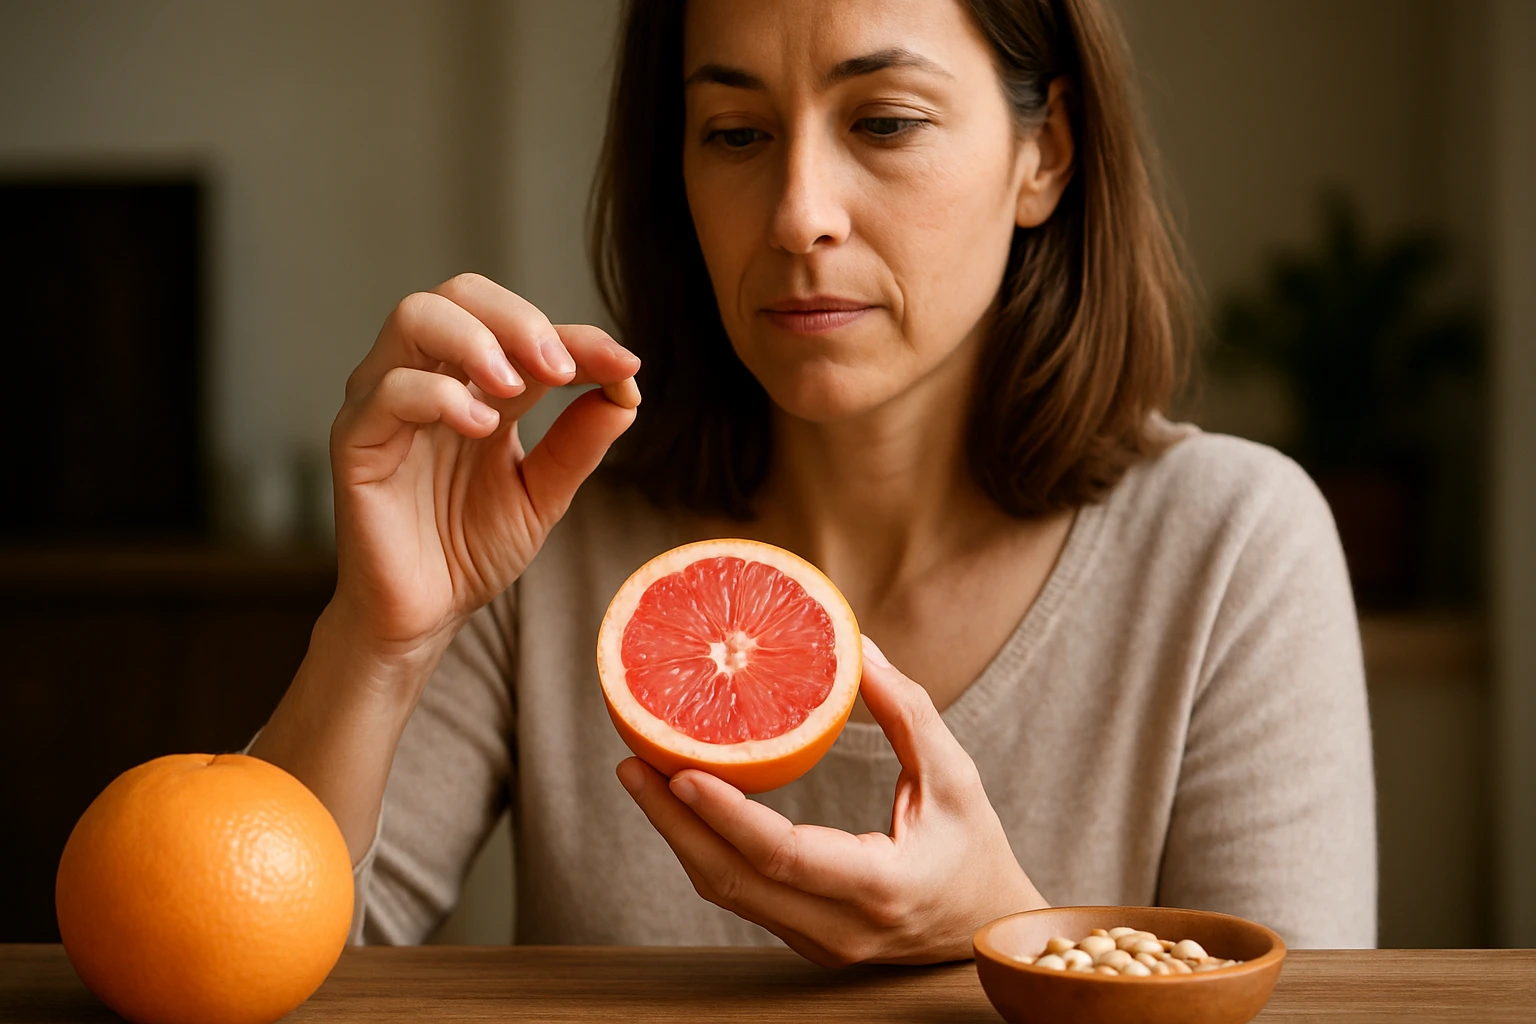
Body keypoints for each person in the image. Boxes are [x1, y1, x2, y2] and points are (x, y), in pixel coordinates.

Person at [248, 0, 1376, 963]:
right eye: (735, 133)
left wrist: (996, 935)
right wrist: (379, 639)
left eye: (884, 122)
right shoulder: (541, 528)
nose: (797, 216)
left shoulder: (1232, 546)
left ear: (1046, 154)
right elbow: (246, 957)